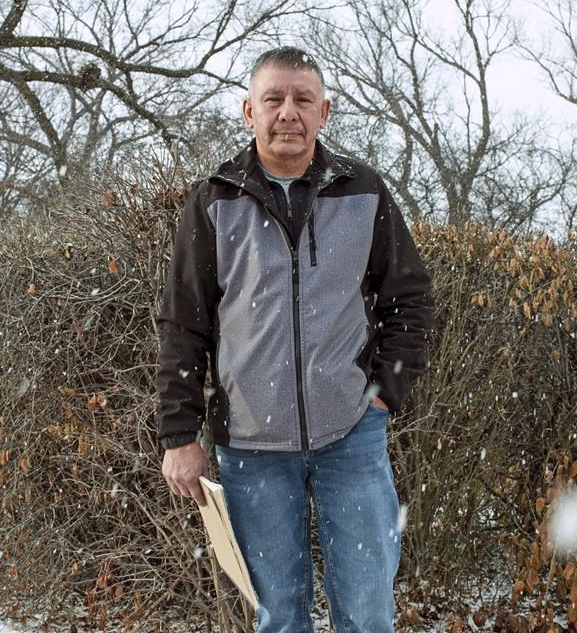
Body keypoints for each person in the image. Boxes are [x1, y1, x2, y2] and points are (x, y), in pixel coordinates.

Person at [156, 46, 434, 632]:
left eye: (303, 99)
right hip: (252, 447)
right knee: (280, 616)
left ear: (325, 111)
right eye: (274, 99)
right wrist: (180, 433)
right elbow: (184, 323)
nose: (289, 112)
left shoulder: (364, 191)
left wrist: (385, 391)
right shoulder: (214, 201)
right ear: (247, 110)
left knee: (367, 612)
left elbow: (408, 298)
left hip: (351, 438)